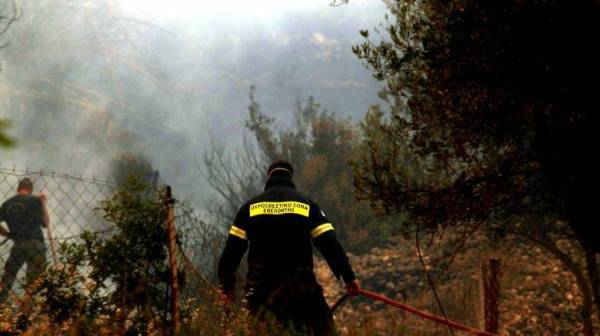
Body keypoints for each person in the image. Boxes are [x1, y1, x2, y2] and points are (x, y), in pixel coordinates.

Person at [218, 160, 360, 335]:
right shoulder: (307, 206)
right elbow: (329, 243)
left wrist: (227, 287)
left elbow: (232, 251)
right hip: (302, 289)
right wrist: (348, 276)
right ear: (291, 177)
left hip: (261, 291)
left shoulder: (249, 208)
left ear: (268, 177)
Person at [0, 178, 49, 302]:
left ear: (18, 189)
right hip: (36, 243)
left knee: (7, 278)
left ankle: (1, 306)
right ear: (31, 189)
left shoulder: (7, 204)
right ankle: (28, 313)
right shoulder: (35, 201)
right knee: (33, 284)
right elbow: (45, 223)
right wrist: (43, 203)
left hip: (18, 244)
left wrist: (8, 234)